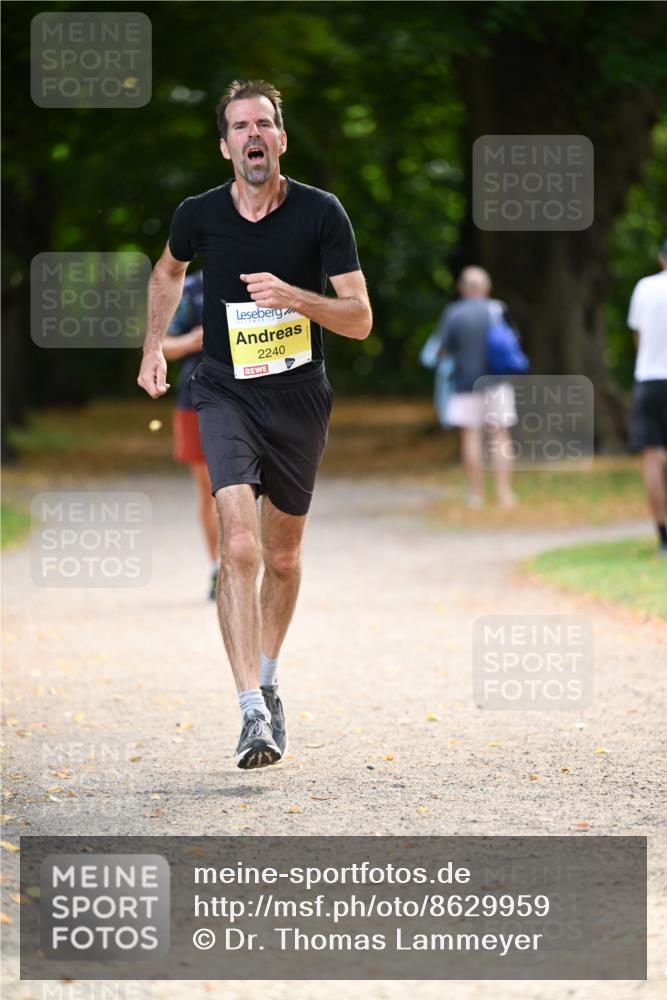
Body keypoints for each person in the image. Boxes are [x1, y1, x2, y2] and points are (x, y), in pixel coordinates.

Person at [137, 79, 372, 769]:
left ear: (281, 138)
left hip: (298, 399)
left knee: (282, 557)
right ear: (224, 145)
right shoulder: (198, 213)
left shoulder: (322, 214)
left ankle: (267, 681)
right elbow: (167, 270)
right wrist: (154, 344)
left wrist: (295, 296)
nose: (252, 135)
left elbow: (358, 319)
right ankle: (248, 713)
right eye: (239, 126)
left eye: (263, 123)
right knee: (237, 547)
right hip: (224, 393)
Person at [433, 266, 518, 508]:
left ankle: (475, 495)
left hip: (464, 383)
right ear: (486, 288)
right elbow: (513, 342)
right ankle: (504, 493)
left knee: (471, 436)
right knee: (500, 434)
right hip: (498, 382)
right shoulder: (498, 309)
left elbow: (442, 349)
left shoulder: (454, 313)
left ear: (462, 288)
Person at [162, 270, 220, 599]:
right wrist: (192, 340)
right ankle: (217, 567)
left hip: (253, 399)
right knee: (210, 490)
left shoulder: (262, 278)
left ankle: (243, 561)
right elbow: (164, 343)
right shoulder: (192, 288)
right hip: (195, 399)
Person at [627, 239, 667, 556]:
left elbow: (638, 337)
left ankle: (663, 535)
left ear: (661, 258)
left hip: (650, 379)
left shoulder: (644, 287)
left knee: (653, 459)